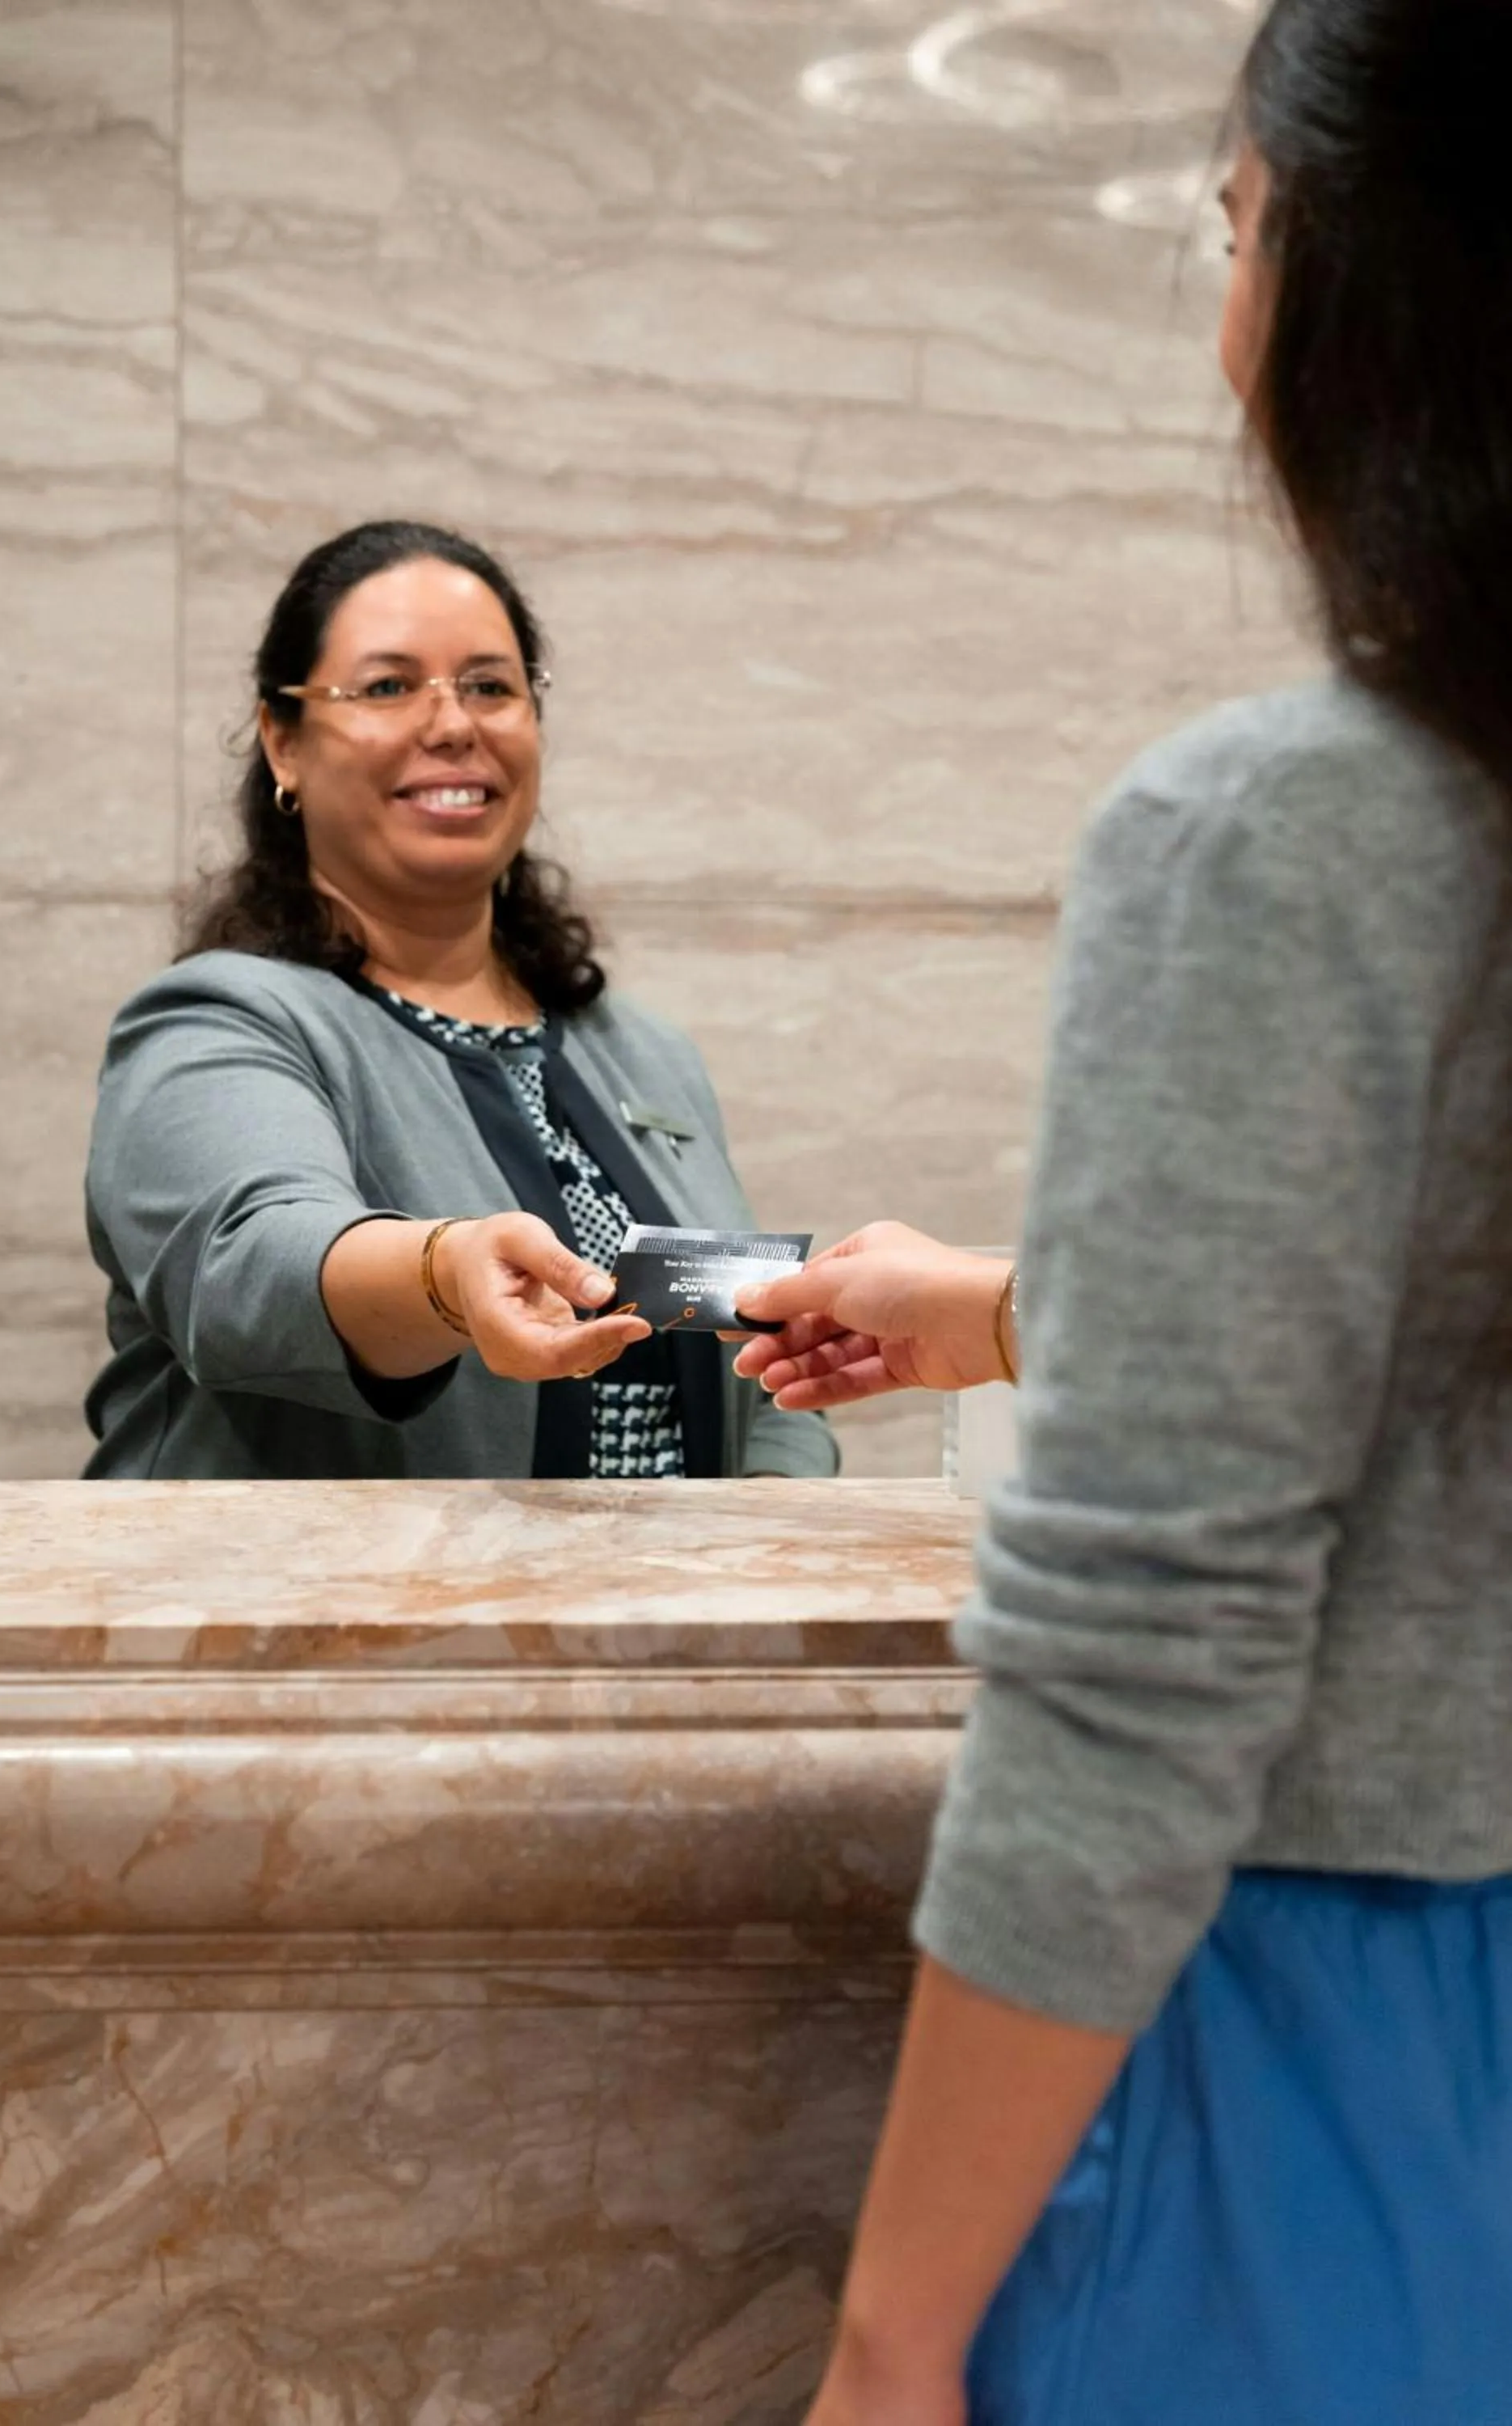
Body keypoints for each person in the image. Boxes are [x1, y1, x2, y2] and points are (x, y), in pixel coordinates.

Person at [736, 1, 1512, 2416]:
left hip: (1346, 2051)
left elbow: (1148, 1647)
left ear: (1368, 297)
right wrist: (988, 1307)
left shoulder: (1288, 835)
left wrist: (890, 2331)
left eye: (1238, 227)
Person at [82, 519, 835, 1484]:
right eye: (389, 686)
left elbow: (754, 1365)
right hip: (322, 1629)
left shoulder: (640, 1051)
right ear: (284, 742)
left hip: (653, 1627)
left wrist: (771, 1530)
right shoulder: (212, 1022)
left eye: (488, 686)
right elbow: (246, 1268)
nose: (451, 725)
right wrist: (442, 1275)